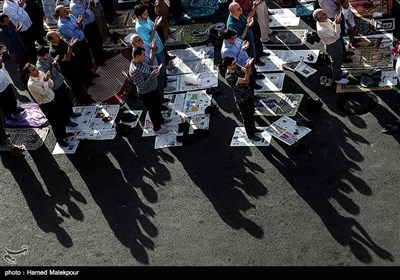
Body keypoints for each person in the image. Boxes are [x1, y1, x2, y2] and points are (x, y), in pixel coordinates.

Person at [24, 62, 71, 147]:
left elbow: (52, 84)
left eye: (35, 67)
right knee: (55, 123)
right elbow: (44, 93)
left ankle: (64, 134)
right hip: (47, 105)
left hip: (54, 99)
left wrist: (48, 79)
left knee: (61, 118)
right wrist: (45, 81)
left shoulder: (41, 73)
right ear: (29, 73)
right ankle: (60, 140)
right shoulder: (31, 84)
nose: (36, 70)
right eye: (33, 70)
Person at [129, 47, 172, 135]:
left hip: (153, 90)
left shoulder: (140, 62)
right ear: (137, 56)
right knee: (153, 111)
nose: (145, 57)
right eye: (143, 55)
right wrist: (152, 75)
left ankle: (161, 120)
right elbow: (142, 85)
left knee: (157, 106)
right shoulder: (135, 71)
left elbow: (146, 67)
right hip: (147, 94)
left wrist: (152, 68)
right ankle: (157, 128)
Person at [220, 56, 263, 142]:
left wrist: (249, 66)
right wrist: (247, 67)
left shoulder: (236, 67)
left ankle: (254, 129)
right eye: (233, 63)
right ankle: (250, 135)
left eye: (235, 62)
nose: (236, 64)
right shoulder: (230, 77)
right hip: (242, 100)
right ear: (228, 66)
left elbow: (249, 72)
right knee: (247, 118)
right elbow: (246, 80)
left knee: (251, 113)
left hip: (248, 94)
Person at [36, 46, 81, 128]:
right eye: (46, 55)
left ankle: (71, 113)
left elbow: (55, 65)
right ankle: (67, 121)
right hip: (54, 87)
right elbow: (47, 76)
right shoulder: (39, 66)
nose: (48, 55)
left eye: (47, 54)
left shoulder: (48, 56)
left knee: (67, 99)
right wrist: (53, 65)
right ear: (40, 56)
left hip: (60, 81)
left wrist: (55, 62)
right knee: (62, 104)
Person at [46, 31, 92, 104]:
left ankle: (85, 95)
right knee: (75, 86)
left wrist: (70, 45)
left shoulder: (60, 41)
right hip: (68, 70)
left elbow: (67, 47)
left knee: (79, 83)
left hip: (74, 65)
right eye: (56, 36)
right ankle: (81, 100)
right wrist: (70, 48)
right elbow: (67, 58)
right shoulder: (53, 51)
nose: (58, 35)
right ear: (51, 40)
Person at [313, 8, 349, 84]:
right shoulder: (322, 29)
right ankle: (337, 78)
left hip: (335, 43)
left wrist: (335, 22)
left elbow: (332, 26)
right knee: (336, 62)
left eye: (324, 13)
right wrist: (338, 23)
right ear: (319, 18)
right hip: (333, 45)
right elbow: (336, 35)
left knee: (339, 59)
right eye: (323, 14)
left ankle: (339, 72)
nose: (326, 15)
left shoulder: (324, 20)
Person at [226, 2, 262, 67]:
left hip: (250, 42)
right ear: (233, 12)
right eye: (238, 9)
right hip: (245, 46)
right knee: (249, 63)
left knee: (253, 56)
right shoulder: (232, 25)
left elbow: (246, 21)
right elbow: (240, 39)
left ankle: (256, 64)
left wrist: (254, 7)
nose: (241, 9)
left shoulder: (239, 14)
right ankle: (252, 75)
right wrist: (247, 26)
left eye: (240, 7)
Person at [0, 54, 24, 120]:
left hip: (6, 84)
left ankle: (14, 109)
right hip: (0, 90)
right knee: (4, 104)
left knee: (12, 99)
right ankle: (8, 116)